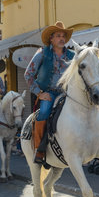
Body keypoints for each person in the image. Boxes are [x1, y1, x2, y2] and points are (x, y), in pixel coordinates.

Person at [24, 21, 75, 165]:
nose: (61, 38)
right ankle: (39, 149)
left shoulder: (72, 56)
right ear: (51, 39)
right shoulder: (42, 53)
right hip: (48, 93)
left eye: (63, 36)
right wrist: (39, 93)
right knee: (45, 111)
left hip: (67, 93)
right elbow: (28, 75)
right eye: (58, 35)